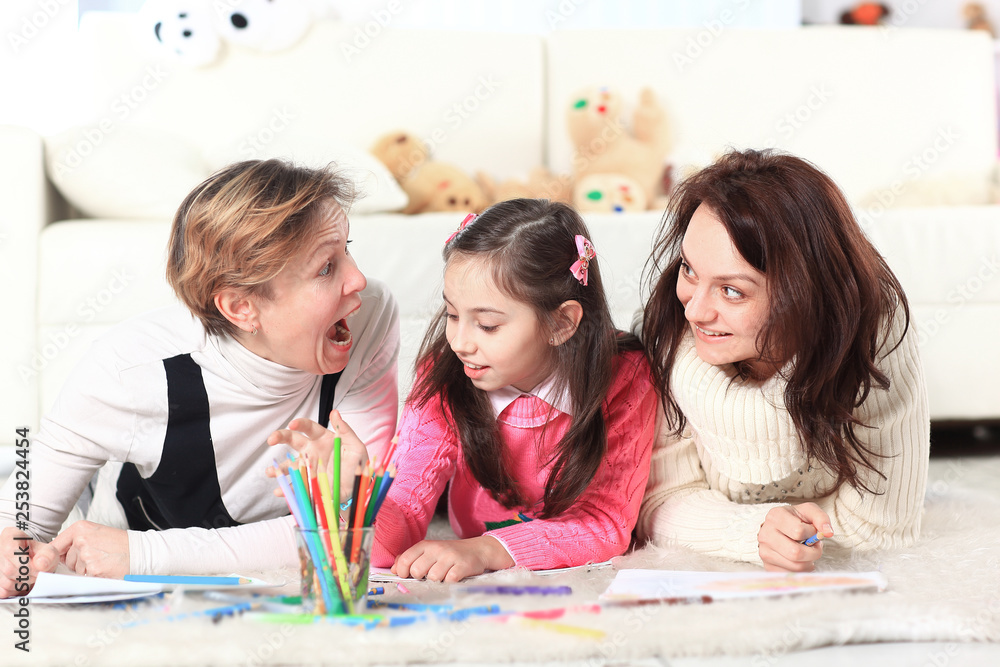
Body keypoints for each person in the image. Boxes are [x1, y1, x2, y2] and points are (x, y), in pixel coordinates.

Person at [0, 159, 398, 597]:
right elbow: (20, 517)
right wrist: (12, 549)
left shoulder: (369, 316)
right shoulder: (130, 368)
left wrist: (144, 555)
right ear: (241, 308)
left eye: (347, 249)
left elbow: (358, 531)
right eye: (326, 267)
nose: (358, 279)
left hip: (146, 550)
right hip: (129, 553)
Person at [273, 199, 657, 583]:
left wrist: (486, 550)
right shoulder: (446, 375)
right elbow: (399, 525)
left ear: (561, 322)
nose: (458, 342)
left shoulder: (626, 377)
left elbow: (604, 524)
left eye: (487, 325)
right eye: (452, 315)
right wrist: (354, 493)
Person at [635, 148, 930, 572]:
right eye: (689, 269)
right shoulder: (668, 329)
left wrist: (788, 535)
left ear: (803, 295)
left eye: (732, 291)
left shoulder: (873, 334)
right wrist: (752, 531)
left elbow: (882, 527)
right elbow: (659, 503)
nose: (694, 310)